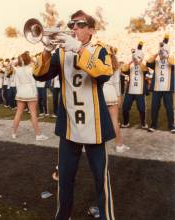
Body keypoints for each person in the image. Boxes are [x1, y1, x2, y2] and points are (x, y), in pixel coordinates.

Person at [33, 10, 115, 220]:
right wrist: (45, 50)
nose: (74, 28)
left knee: (101, 180)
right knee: (65, 179)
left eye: (80, 24)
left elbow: (104, 73)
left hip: (95, 126)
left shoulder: (100, 49)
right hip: (70, 126)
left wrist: (78, 48)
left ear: (91, 30)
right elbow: (39, 75)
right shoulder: (60, 53)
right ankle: (63, 216)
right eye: (72, 24)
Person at [12, 52, 48, 141]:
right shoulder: (31, 69)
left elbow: (16, 82)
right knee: (33, 114)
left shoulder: (17, 70)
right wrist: (32, 59)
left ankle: (14, 133)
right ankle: (38, 135)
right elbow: (39, 65)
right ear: (28, 60)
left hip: (20, 93)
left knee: (18, 113)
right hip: (30, 93)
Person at [103, 47, 130, 153]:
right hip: (111, 92)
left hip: (100, 93)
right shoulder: (115, 64)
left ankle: (92, 145)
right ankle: (119, 145)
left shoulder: (98, 63)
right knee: (114, 121)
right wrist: (119, 97)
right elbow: (117, 83)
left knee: (96, 121)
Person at [146, 34, 175, 133]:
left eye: (165, 51)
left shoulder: (171, 59)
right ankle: (153, 125)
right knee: (154, 107)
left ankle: (171, 126)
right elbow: (148, 63)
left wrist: (167, 56)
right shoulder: (156, 60)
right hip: (157, 88)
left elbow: (173, 63)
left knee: (169, 108)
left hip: (167, 88)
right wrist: (156, 53)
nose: (163, 53)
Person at [121, 41, 149, 129]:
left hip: (140, 91)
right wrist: (131, 61)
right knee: (125, 108)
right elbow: (123, 69)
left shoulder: (143, 66)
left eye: (139, 57)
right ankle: (126, 123)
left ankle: (143, 124)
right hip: (130, 91)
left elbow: (144, 68)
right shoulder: (131, 66)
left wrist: (137, 59)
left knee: (141, 109)